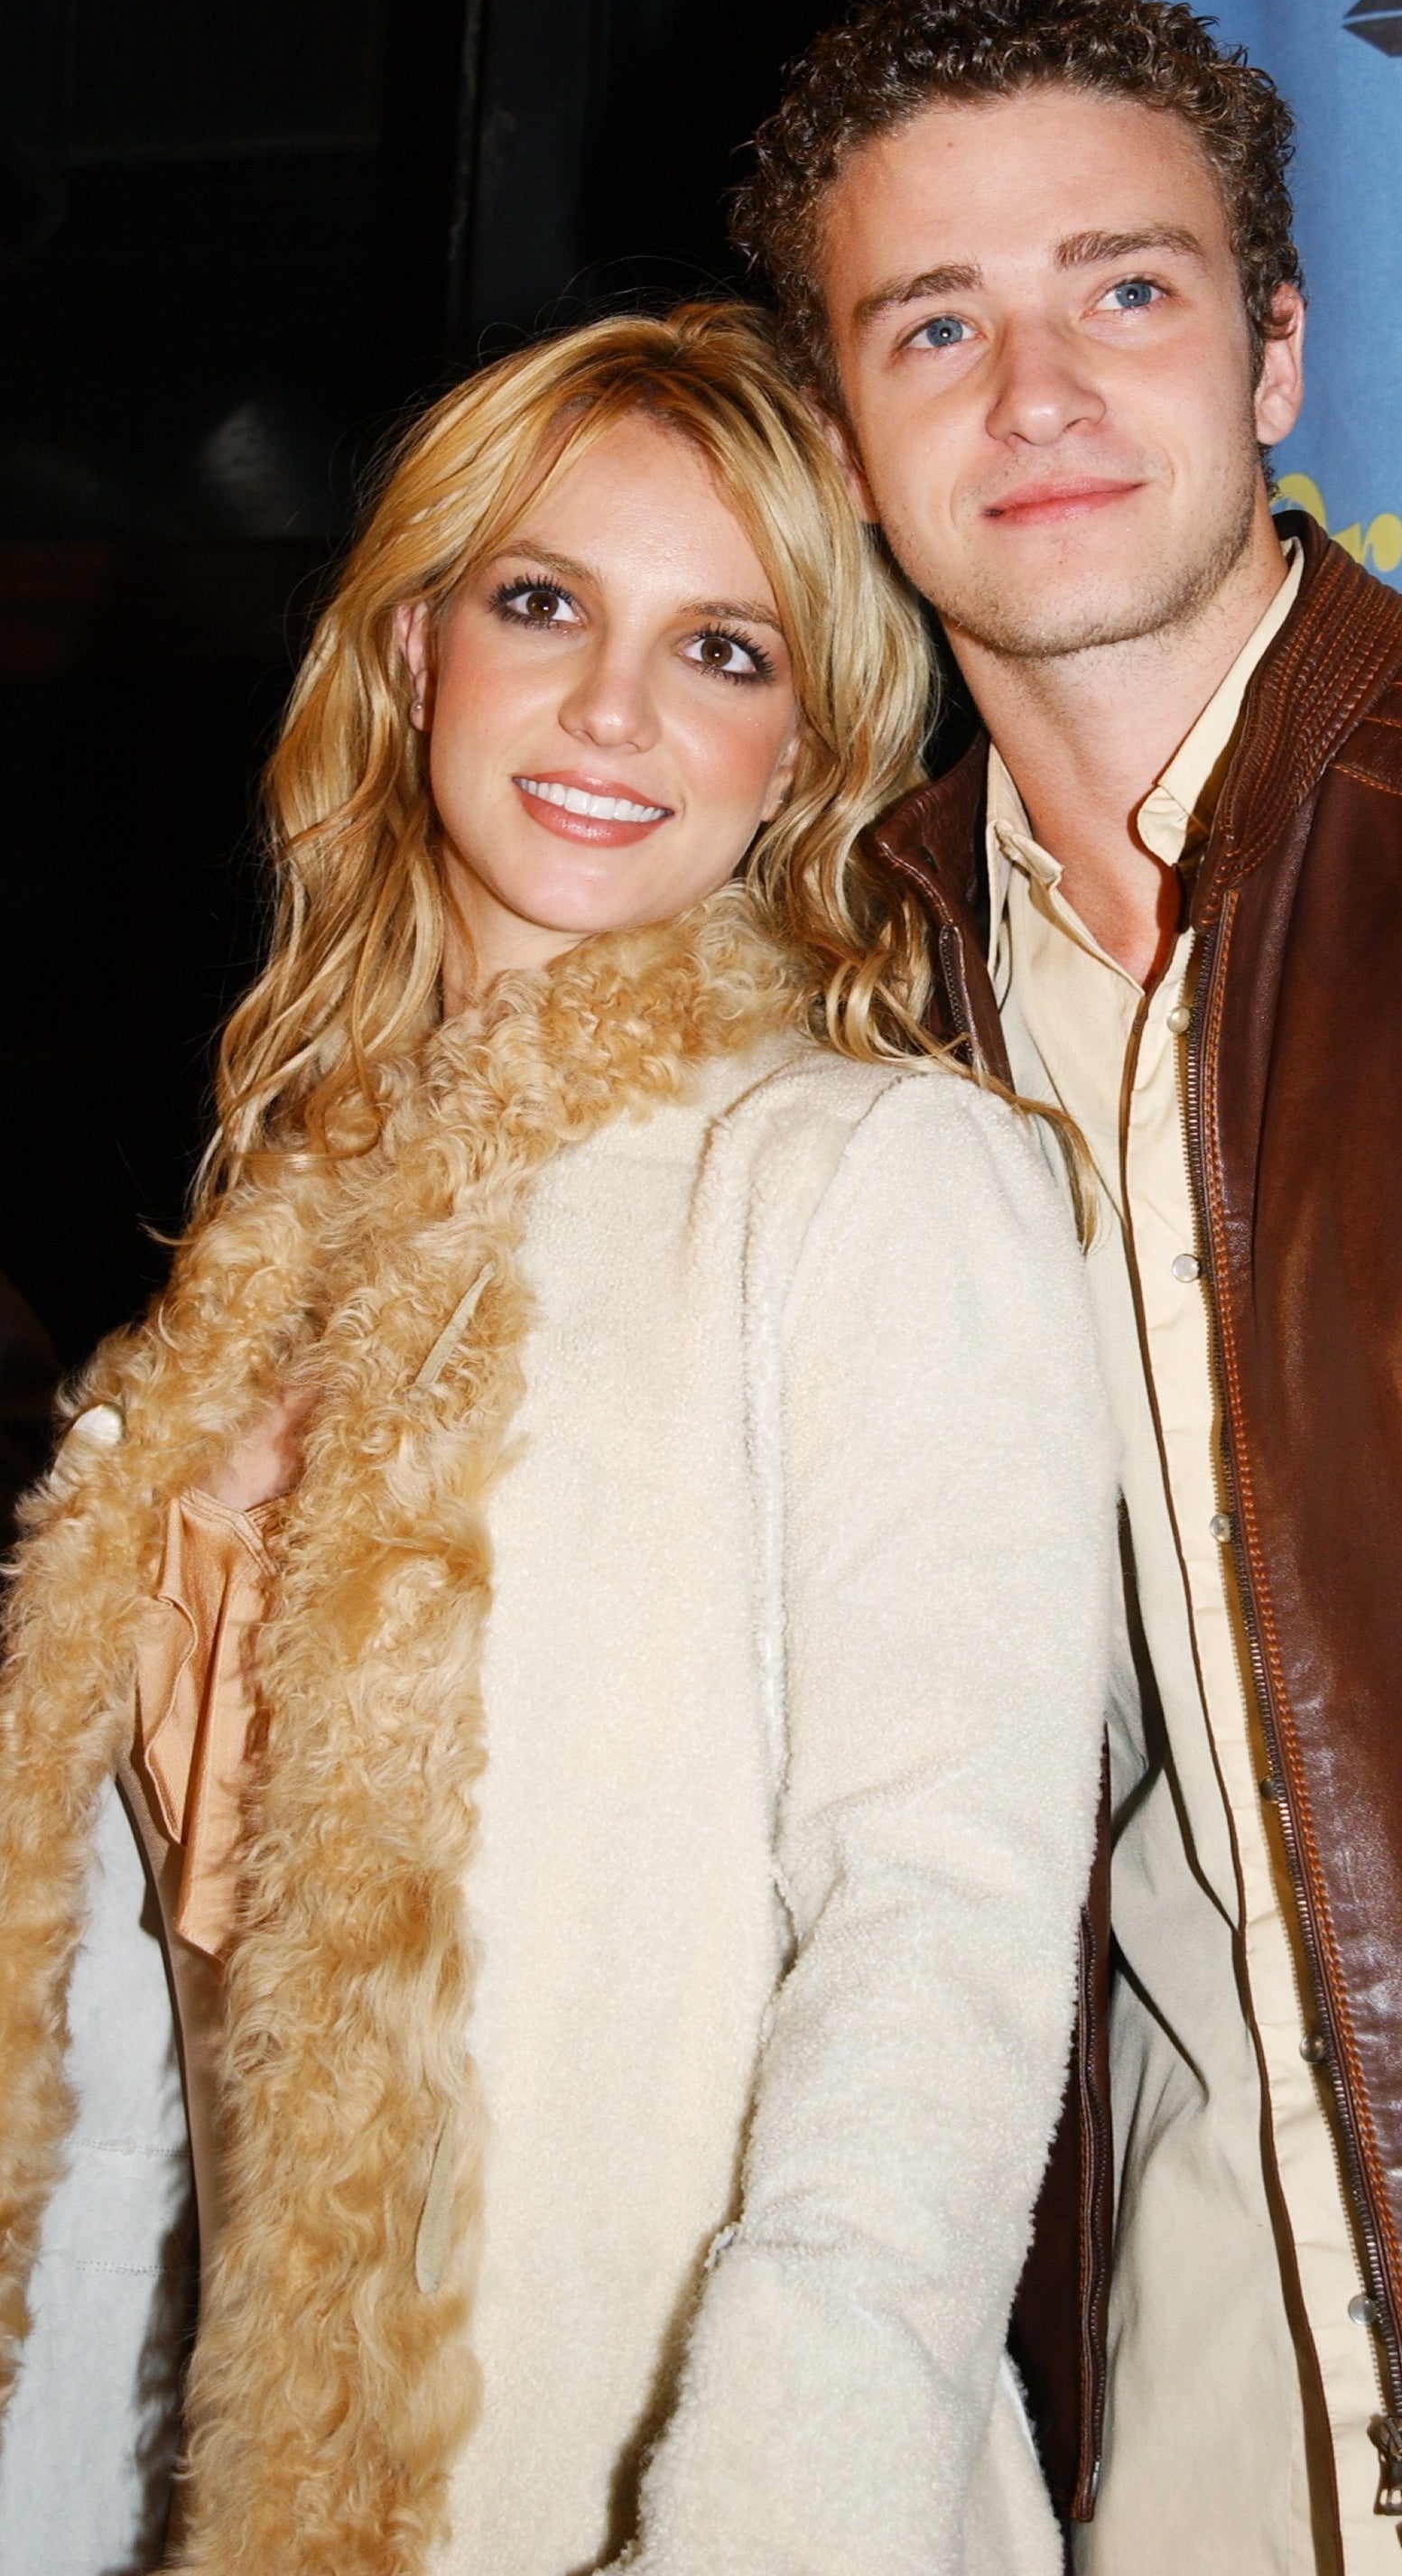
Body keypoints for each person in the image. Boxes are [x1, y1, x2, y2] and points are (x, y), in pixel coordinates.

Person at [731, 0, 1402, 2576]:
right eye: (937, 326)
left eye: (1126, 293)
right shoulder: (844, 1008)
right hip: (1164, 2397)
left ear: (1277, 353)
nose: (1038, 395)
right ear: (839, 436)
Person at [0, 301, 1118, 2576]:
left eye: (722, 650)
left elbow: (944, 1940)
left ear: (801, 749)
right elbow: (140, 2065)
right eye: (542, 603)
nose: (616, 709)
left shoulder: (862, 1180)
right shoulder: (254, 1268)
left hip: (665, 2501)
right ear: (417, 648)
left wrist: (768, 2518)